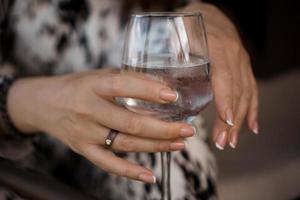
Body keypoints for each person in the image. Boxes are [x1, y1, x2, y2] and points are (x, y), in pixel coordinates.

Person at [0, 0, 258, 199]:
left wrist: (210, 13)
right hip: (11, 142)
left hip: (124, 118)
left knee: (176, 144)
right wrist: (28, 104)